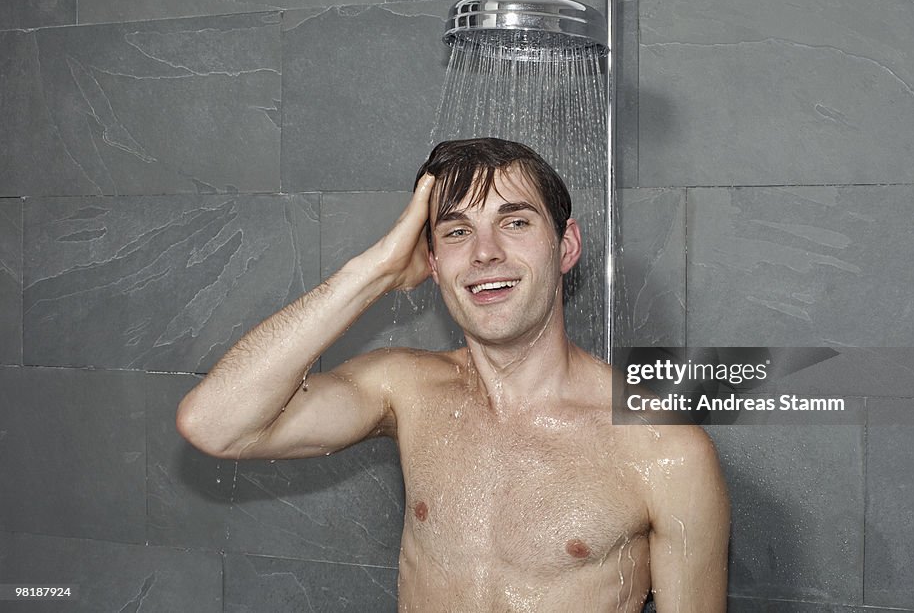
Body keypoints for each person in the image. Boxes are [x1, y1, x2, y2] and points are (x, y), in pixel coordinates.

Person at [176, 137, 729, 611]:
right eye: (458, 231)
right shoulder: (407, 390)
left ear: (566, 246)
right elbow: (216, 425)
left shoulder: (663, 447)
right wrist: (372, 274)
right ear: (433, 263)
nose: (486, 253)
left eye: (514, 222)